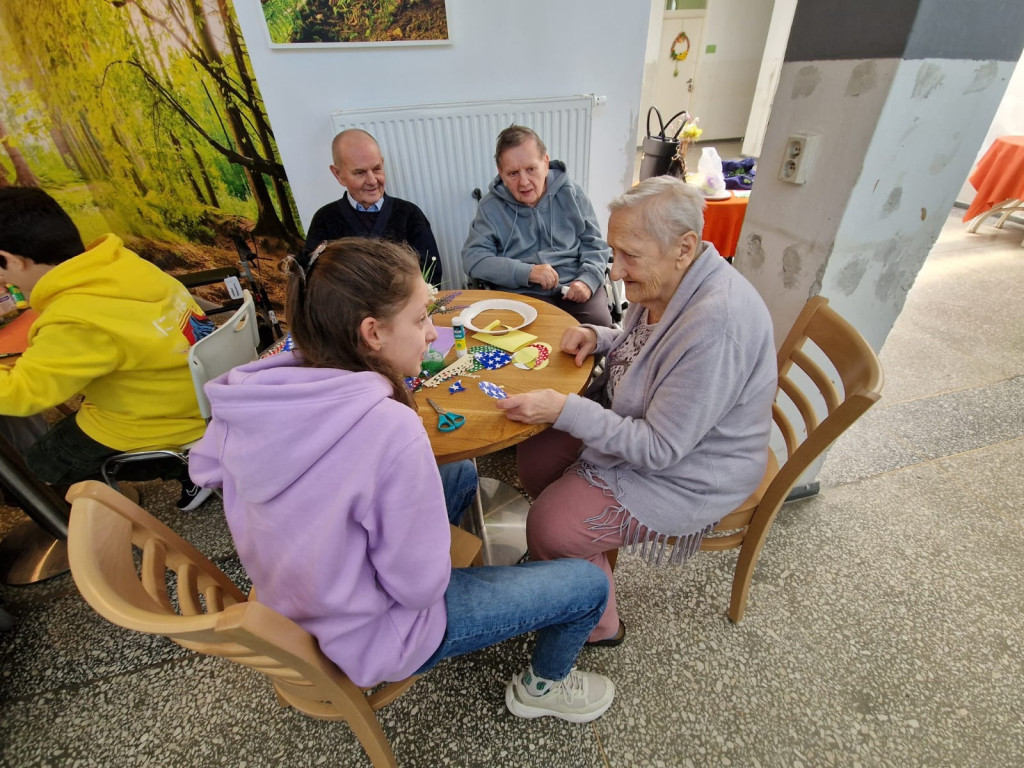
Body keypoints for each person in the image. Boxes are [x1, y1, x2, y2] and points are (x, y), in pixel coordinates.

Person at [188, 237, 617, 722]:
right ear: (372, 333)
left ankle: (463, 581)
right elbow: (418, 588)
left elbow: (202, 467)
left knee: (455, 471)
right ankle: (542, 688)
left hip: (291, 602)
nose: (433, 334)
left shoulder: (255, 390)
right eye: (419, 320)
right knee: (587, 586)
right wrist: (422, 540)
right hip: (376, 633)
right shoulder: (390, 428)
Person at [496, 176, 778, 645]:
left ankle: (600, 625)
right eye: (613, 251)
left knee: (548, 523)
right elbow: (647, 346)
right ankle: (586, 556)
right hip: (657, 429)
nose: (616, 270)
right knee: (536, 453)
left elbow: (661, 447)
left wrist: (566, 408)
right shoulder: (672, 279)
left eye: (630, 254)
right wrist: (601, 337)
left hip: (695, 468)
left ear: (684, 247)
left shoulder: (716, 325)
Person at [0, 187, 216, 511]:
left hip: (164, 419)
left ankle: (178, 471)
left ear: (14, 261)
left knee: (42, 462)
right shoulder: (123, 263)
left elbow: (21, 394)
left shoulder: (73, 319)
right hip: (202, 394)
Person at [462, 125, 613, 326]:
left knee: (599, 328)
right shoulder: (490, 207)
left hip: (574, 283)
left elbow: (595, 245)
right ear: (501, 172)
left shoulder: (571, 193)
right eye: (513, 173)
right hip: (524, 292)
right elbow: (473, 259)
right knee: (536, 339)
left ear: (545, 162)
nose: (524, 182)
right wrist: (527, 272)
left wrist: (588, 280)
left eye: (531, 169)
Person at [302, 129, 443, 286]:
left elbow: (432, 274)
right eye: (360, 173)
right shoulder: (324, 219)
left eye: (377, 169)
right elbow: (314, 278)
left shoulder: (409, 214)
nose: (372, 180)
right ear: (338, 174)